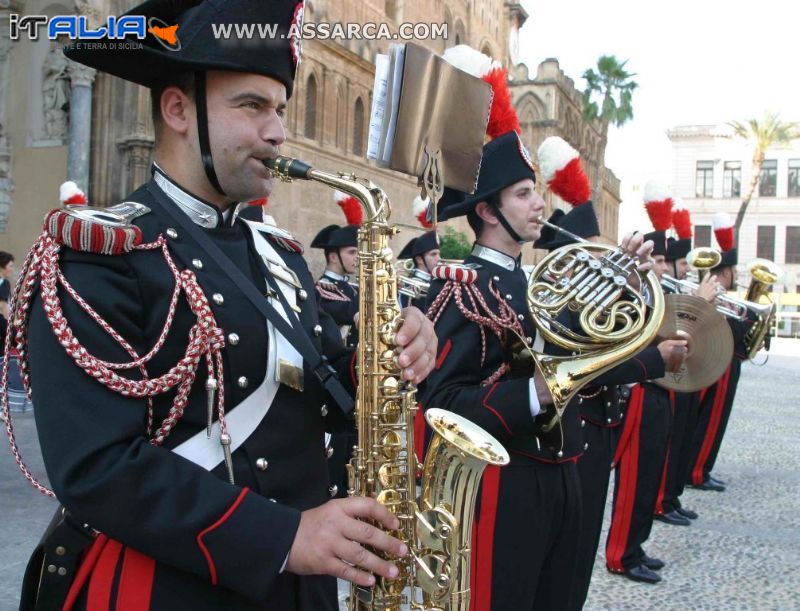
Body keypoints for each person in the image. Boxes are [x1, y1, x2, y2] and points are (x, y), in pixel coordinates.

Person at [15, 2, 437, 609]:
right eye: (251, 106)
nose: (277, 131)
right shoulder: (99, 252)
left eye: (281, 109)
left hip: (299, 583)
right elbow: (97, 469)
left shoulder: (278, 253)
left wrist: (388, 359)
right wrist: (283, 535)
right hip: (172, 586)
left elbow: (305, 389)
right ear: (178, 109)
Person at [419, 122, 655, 608]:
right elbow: (439, 404)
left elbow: (583, 350)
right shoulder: (460, 289)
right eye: (524, 194)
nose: (540, 205)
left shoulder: (536, 285)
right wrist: (536, 394)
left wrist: (619, 279)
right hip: (506, 486)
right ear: (486, 211)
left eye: (536, 193)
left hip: (566, 469)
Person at [605, 185, 687, 585]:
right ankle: (621, 553)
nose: (662, 267)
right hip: (639, 391)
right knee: (635, 477)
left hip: (660, 389)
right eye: (656, 259)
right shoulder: (634, 293)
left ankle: (636, 545)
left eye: (663, 261)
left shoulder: (661, 295)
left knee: (651, 471)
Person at [687, 212, 753, 492]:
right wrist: (747, 321)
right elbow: (724, 331)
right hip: (719, 362)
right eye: (734, 272)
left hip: (722, 361)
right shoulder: (714, 292)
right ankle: (698, 471)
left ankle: (699, 468)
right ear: (726, 272)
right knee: (711, 419)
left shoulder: (721, 294)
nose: (736, 276)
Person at [310, 191, 361, 349]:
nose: (357, 258)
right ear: (333, 257)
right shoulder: (323, 289)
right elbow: (349, 312)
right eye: (352, 252)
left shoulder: (350, 288)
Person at [397, 229, 440, 310]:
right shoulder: (409, 287)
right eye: (433, 254)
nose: (439, 258)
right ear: (419, 259)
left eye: (438, 254)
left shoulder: (436, 282)